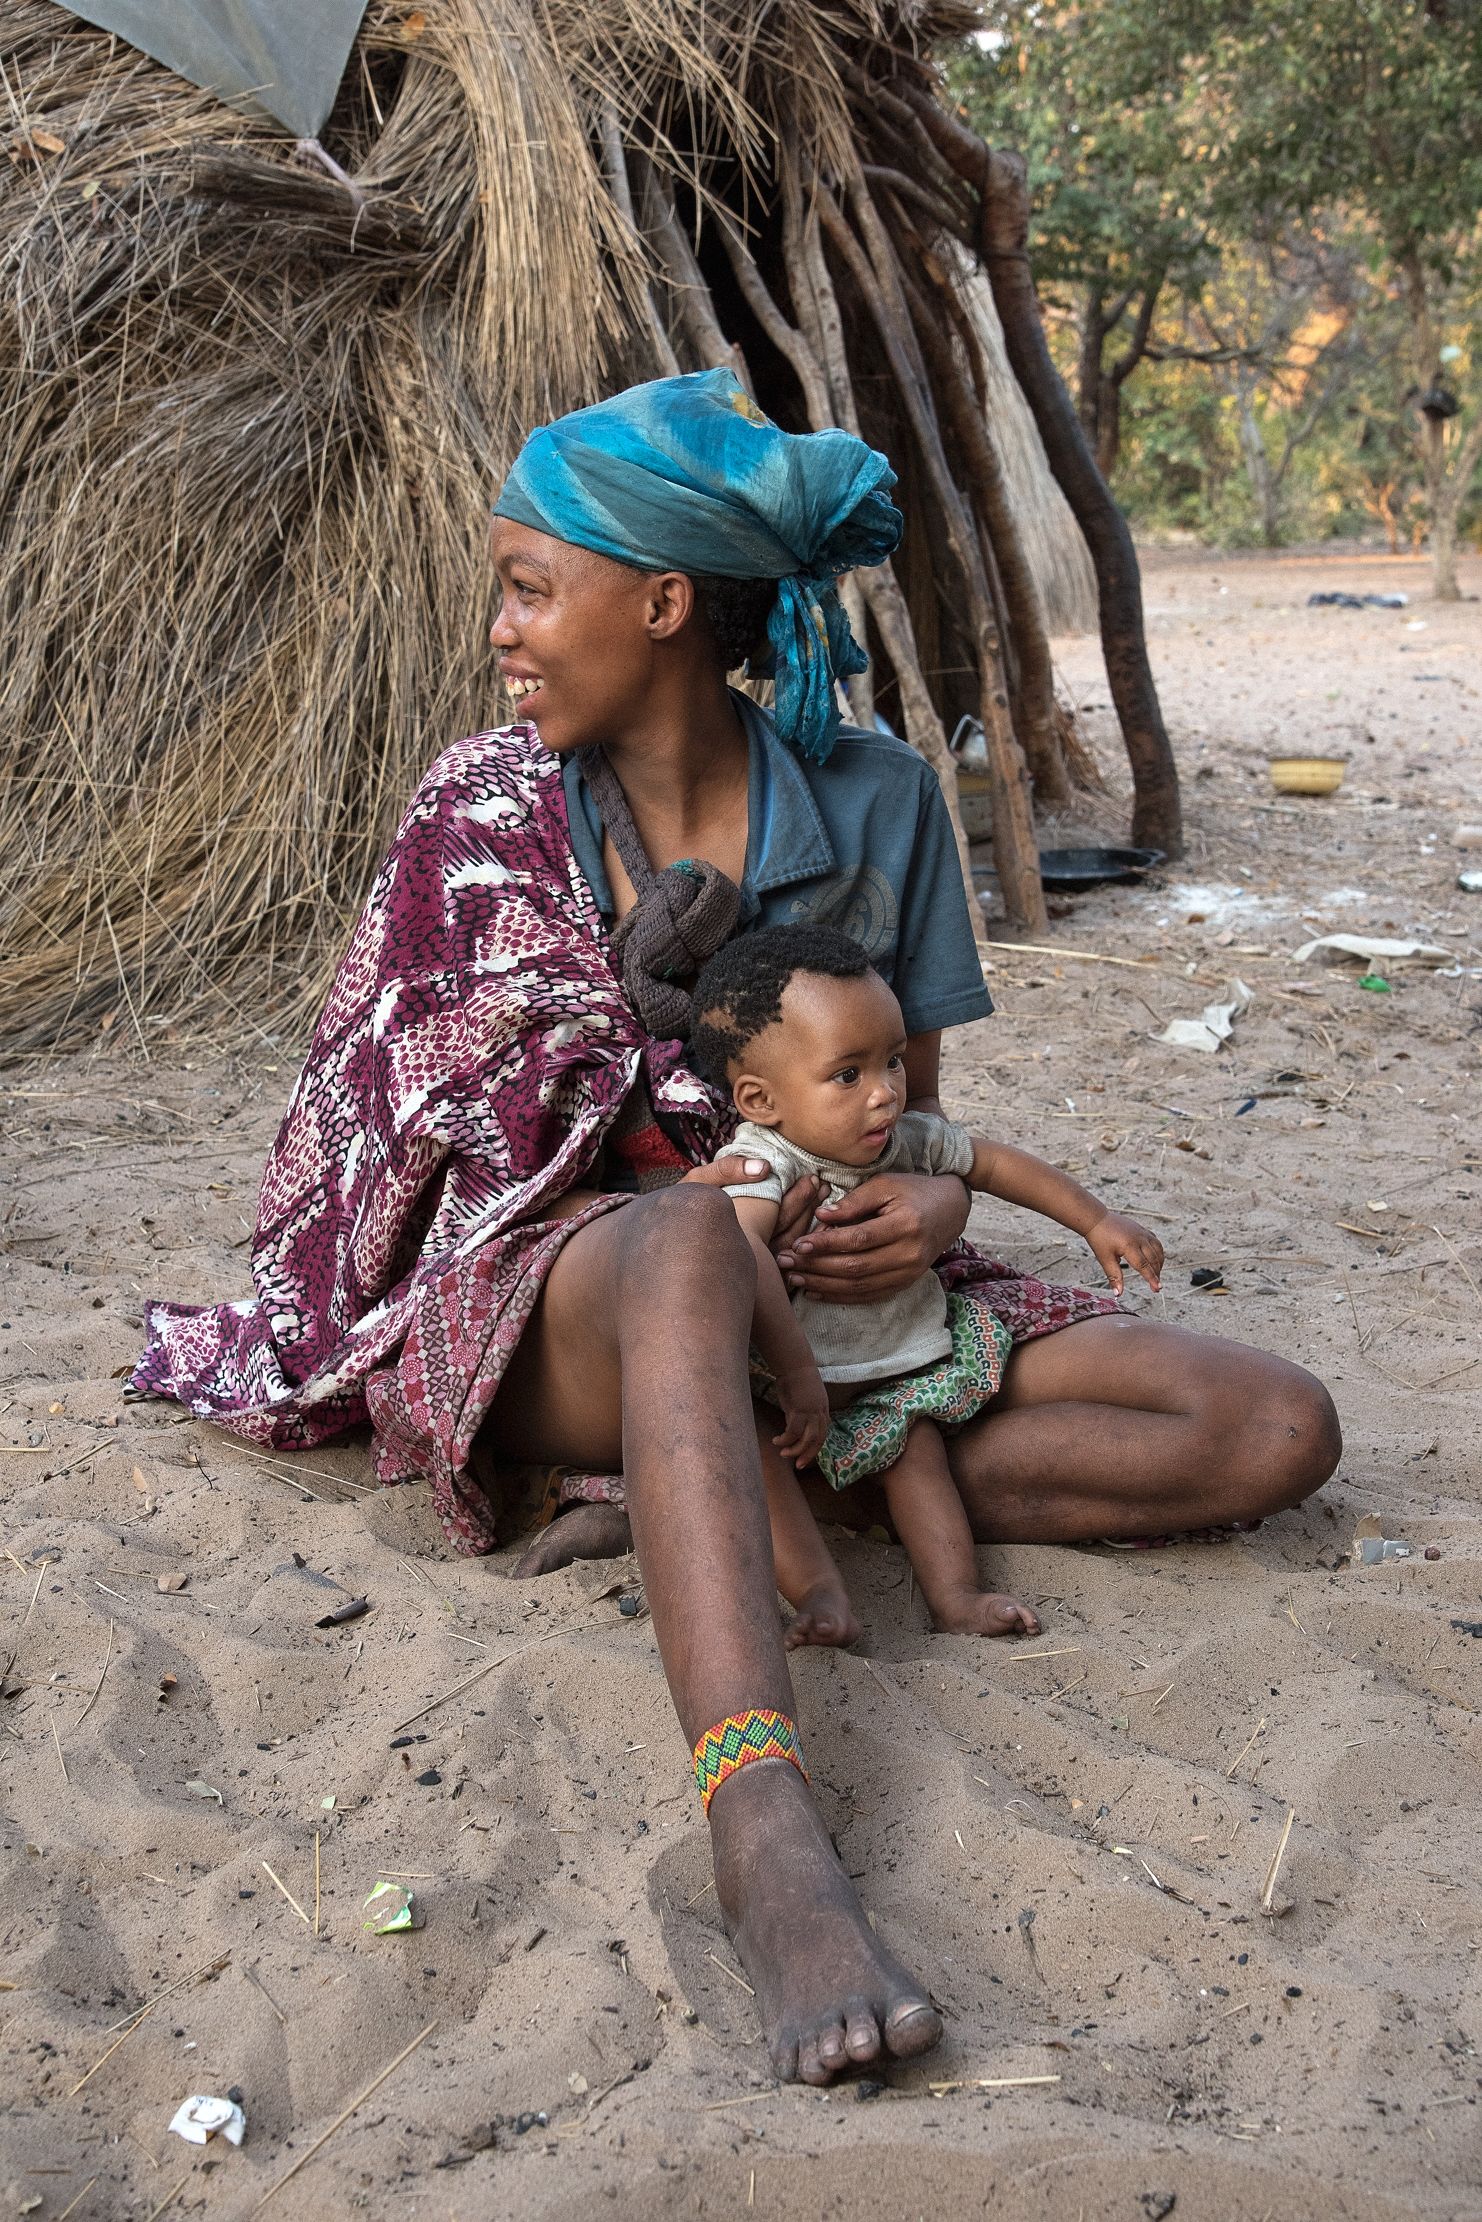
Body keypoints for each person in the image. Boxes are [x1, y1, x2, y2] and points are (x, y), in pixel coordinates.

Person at [133, 368, 1341, 2087]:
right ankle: (768, 1831)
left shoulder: (874, 803)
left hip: (838, 1320)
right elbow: (388, 1146)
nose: (504, 632)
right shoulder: (477, 818)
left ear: (666, 601)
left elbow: (894, 1120)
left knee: (1270, 1422)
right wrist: (656, 1189)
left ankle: (712, 1476)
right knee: (692, 1246)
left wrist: (918, 1211)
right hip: (563, 1307)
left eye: (530, 587)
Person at [689, 922, 1165, 1650]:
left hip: (894, 1370)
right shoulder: (763, 1163)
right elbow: (739, 1251)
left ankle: (957, 1596)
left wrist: (1096, 1220)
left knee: (920, 1461)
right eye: (848, 1075)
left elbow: (993, 1164)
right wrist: (794, 1373)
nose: (884, 1093)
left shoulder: (904, 1137)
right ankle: (820, 1594)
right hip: (784, 1388)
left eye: (893, 1062)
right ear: (759, 1099)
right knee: (759, 1462)